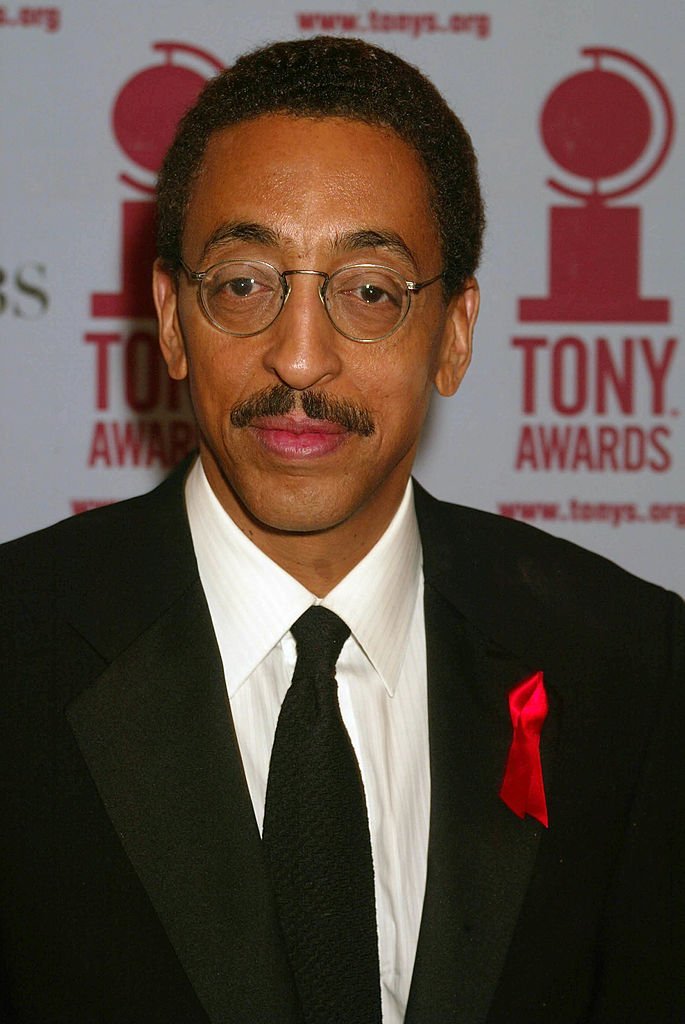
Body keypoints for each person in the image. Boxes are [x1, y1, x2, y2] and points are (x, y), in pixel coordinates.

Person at [0, 35, 682, 1024]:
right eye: (244, 283)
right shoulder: (16, 653)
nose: (301, 359)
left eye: (369, 292)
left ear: (454, 333)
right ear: (172, 319)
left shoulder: (628, 665)